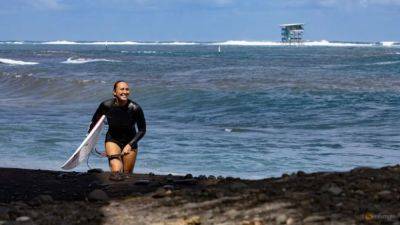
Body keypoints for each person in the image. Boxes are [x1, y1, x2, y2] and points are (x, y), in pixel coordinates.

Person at [89, 80, 146, 180]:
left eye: (127, 89)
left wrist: (130, 144)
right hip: (112, 139)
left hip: (130, 141)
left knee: (127, 174)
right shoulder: (106, 105)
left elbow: (142, 130)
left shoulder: (135, 108)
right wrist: (89, 139)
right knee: (116, 170)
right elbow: (95, 122)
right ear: (114, 92)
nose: (125, 91)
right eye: (122, 89)